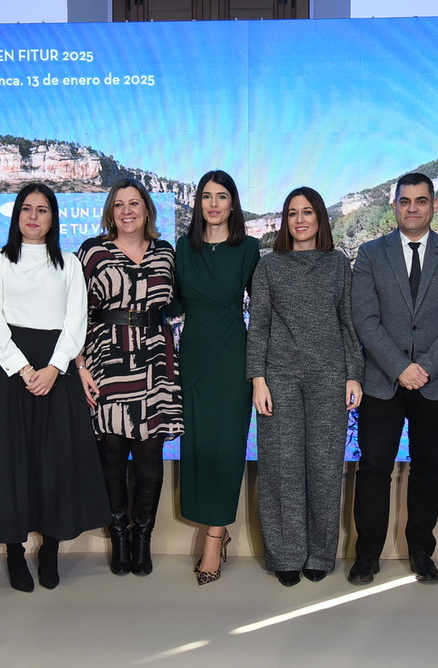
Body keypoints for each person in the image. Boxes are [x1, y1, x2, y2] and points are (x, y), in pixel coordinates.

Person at [0, 183, 108, 592]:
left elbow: (76, 321)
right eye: (27, 209)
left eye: (42, 210)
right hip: (10, 373)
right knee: (11, 462)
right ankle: (13, 551)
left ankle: (50, 550)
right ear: (16, 216)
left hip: (56, 372)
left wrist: (55, 368)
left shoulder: (68, 262)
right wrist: (24, 369)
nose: (33, 216)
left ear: (53, 217)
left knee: (55, 462)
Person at [349, 172, 438, 584]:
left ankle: (422, 551)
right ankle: (367, 553)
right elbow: (365, 319)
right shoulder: (370, 254)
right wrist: (399, 367)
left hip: (436, 382)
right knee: (373, 469)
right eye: (405, 201)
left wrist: (424, 367)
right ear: (395, 207)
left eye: (421, 201)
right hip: (383, 381)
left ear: (434, 205)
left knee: (428, 468)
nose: (413, 208)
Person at [247, 186, 364, 587]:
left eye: (308, 212)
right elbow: (257, 326)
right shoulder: (269, 267)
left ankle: (319, 553)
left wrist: (354, 374)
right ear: (285, 221)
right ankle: (285, 554)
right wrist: (257, 379)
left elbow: (349, 322)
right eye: (293, 213)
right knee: (281, 468)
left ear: (319, 219)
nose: (300, 220)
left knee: (325, 468)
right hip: (278, 379)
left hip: (329, 376)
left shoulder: (337, 264)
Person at [76, 178, 184, 577]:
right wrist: (81, 365)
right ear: (110, 211)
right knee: (112, 454)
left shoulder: (165, 253)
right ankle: (119, 535)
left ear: (147, 209)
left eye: (134, 203)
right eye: (119, 204)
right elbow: (75, 312)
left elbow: (174, 305)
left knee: (150, 459)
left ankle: (143, 539)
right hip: (107, 357)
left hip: (155, 359)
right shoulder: (92, 252)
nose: (127, 211)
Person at [174, 170, 259, 585]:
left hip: (232, 358)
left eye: (221, 196)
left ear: (232, 204)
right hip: (192, 356)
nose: (212, 204)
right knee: (198, 446)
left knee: (227, 448)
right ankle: (212, 528)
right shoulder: (181, 250)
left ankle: (215, 537)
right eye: (206, 196)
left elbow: (264, 313)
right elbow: (166, 304)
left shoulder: (250, 250)